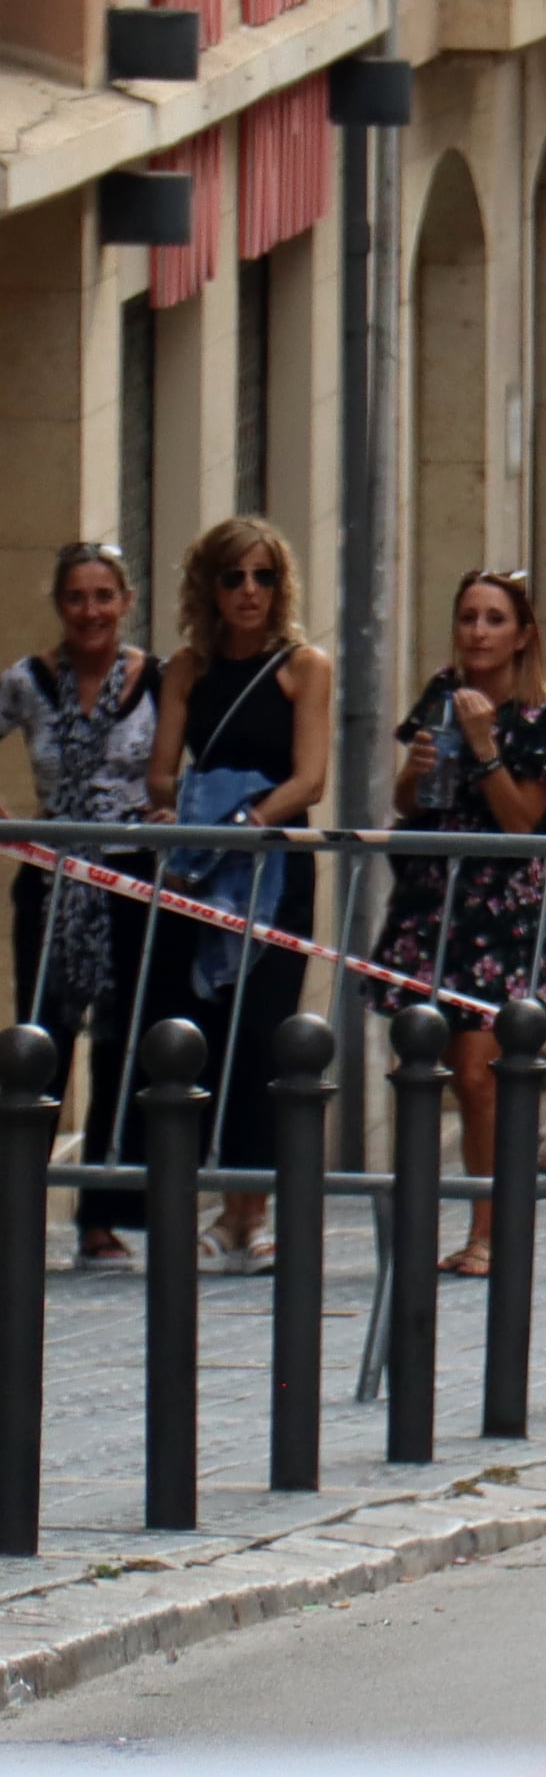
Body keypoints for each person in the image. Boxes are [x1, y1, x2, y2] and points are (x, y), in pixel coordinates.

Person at [133, 518, 332, 1272]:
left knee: (264, 1035)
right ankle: (214, 1205)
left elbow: (309, 779)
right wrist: (178, 811)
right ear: (208, 589)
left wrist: (243, 821)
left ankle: (256, 1208)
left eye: (263, 577)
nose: (249, 592)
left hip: (270, 870)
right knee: (198, 1030)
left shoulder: (303, 667)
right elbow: (162, 768)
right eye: (233, 578)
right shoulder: (186, 668)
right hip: (200, 870)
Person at [373, 571, 546, 1271]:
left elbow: (523, 817)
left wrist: (483, 743)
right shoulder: (440, 694)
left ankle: (490, 1231)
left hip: (507, 911)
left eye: (495, 619)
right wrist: (420, 765)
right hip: (437, 901)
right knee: (428, 1063)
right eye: (468, 617)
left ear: (523, 633)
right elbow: (411, 803)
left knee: (479, 1070)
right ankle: (436, 1226)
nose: (478, 632)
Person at [0, 543, 157, 1267]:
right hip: (52, 883)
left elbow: (185, 760)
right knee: (40, 1044)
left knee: (123, 1048)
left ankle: (102, 1218)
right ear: (60, 606)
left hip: (131, 882)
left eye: (103, 596)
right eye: (75, 597)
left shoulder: (158, 678)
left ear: (125, 601)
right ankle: (21, 1211)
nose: (90, 611)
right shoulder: (28, 682)